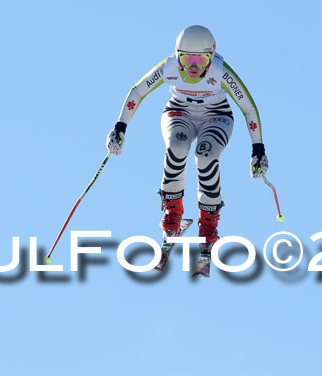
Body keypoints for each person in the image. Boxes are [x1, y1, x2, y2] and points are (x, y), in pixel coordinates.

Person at [106, 25, 268, 252]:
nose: (193, 67)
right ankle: (172, 214)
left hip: (216, 115)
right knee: (177, 146)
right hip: (179, 111)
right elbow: (137, 91)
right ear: (177, 55)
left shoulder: (221, 71)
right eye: (187, 59)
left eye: (200, 61)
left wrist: (258, 149)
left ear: (211, 58)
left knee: (206, 155)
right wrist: (120, 127)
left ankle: (209, 224)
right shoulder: (169, 66)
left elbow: (248, 108)